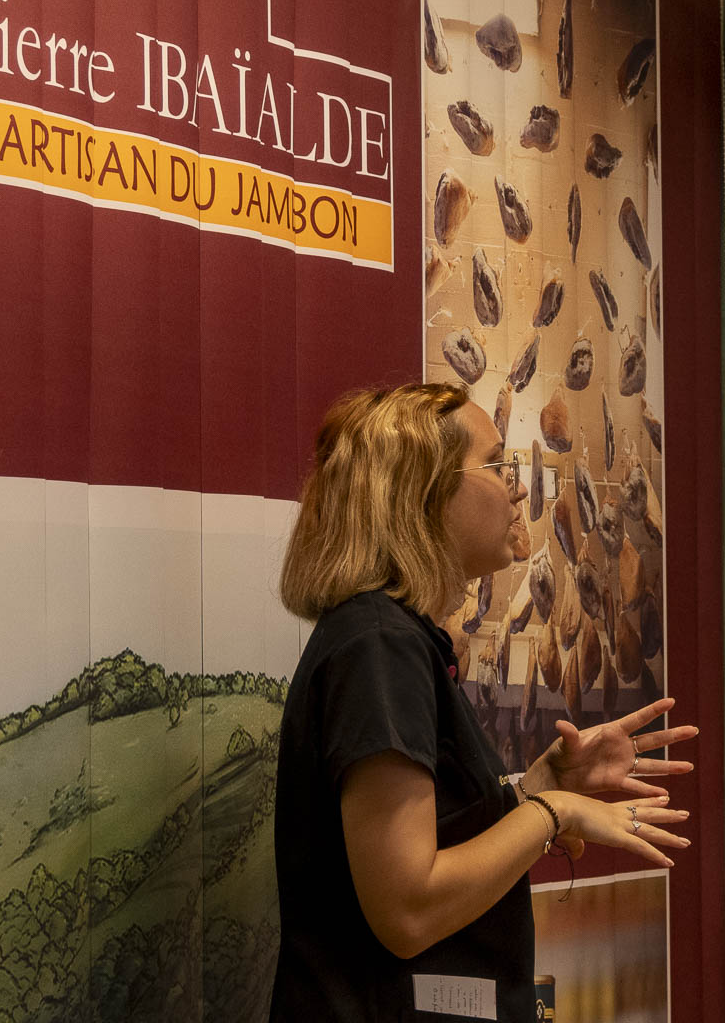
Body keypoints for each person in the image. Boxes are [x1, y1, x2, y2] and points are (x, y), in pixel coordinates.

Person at [269, 382, 697, 1021]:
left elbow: (435, 840)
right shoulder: (378, 646)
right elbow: (408, 910)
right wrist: (553, 812)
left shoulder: (397, 639)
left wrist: (538, 786)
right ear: (423, 492)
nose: (518, 489)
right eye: (497, 465)